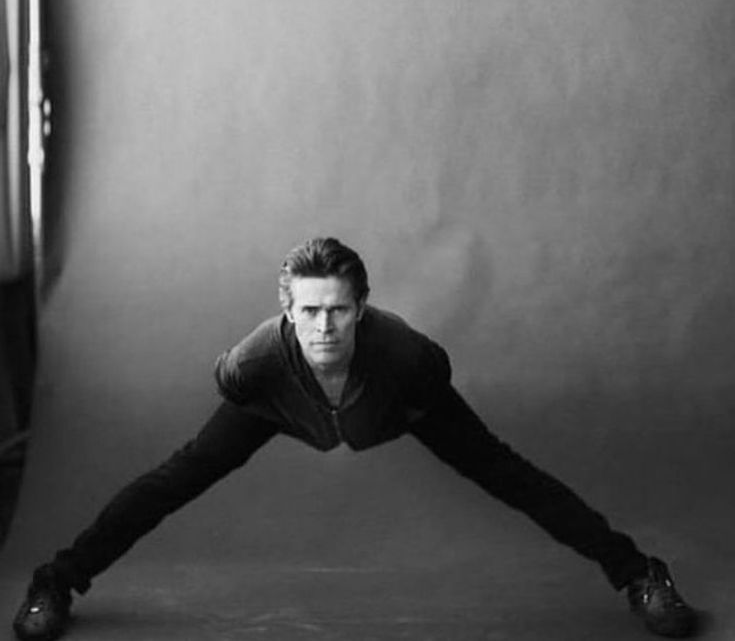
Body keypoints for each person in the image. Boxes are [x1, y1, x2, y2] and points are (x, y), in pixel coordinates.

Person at [13, 237, 699, 640]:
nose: (323, 327)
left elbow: (437, 384)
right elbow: (225, 382)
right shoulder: (255, 363)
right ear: (287, 309)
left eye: (338, 309)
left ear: (360, 307)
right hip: (284, 406)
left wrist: (395, 415)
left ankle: (641, 574)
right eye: (308, 310)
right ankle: (56, 583)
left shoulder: (406, 356)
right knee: (170, 481)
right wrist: (289, 399)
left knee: (513, 476)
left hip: (394, 405)